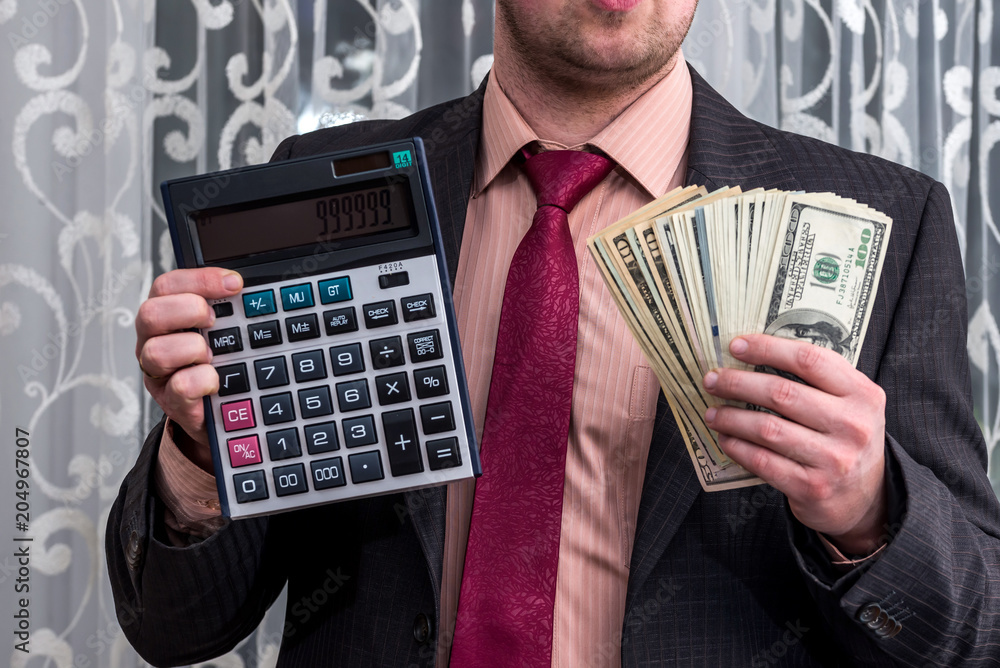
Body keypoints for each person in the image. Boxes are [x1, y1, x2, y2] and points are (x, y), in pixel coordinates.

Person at [108, 0, 1000, 665]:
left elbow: (975, 629)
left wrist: (869, 513)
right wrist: (198, 455)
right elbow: (174, 626)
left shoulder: (886, 216)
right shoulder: (313, 190)